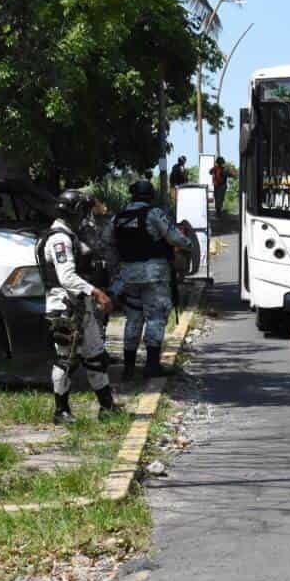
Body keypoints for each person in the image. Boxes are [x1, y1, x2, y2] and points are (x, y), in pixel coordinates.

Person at [100, 179, 192, 379]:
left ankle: (129, 368)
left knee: (133, 319)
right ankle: (151, 366)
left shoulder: (117, 218)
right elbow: (176, 239)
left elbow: (106, 243)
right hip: (154, 277)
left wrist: (116, 269)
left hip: (128, 277)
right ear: (150, 196)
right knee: (156, 318)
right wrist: (187, 242)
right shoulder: (154, 214)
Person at [38, 189, 115, 425]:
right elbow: (67, 277)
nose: (86, 216)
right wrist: (96, 291)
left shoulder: (69, 234)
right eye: (84, 211)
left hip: (80, 306)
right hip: (66, 307)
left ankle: (108, 408)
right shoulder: (60, 239)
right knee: (65, 358)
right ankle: (61, 411)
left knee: (96, 356)